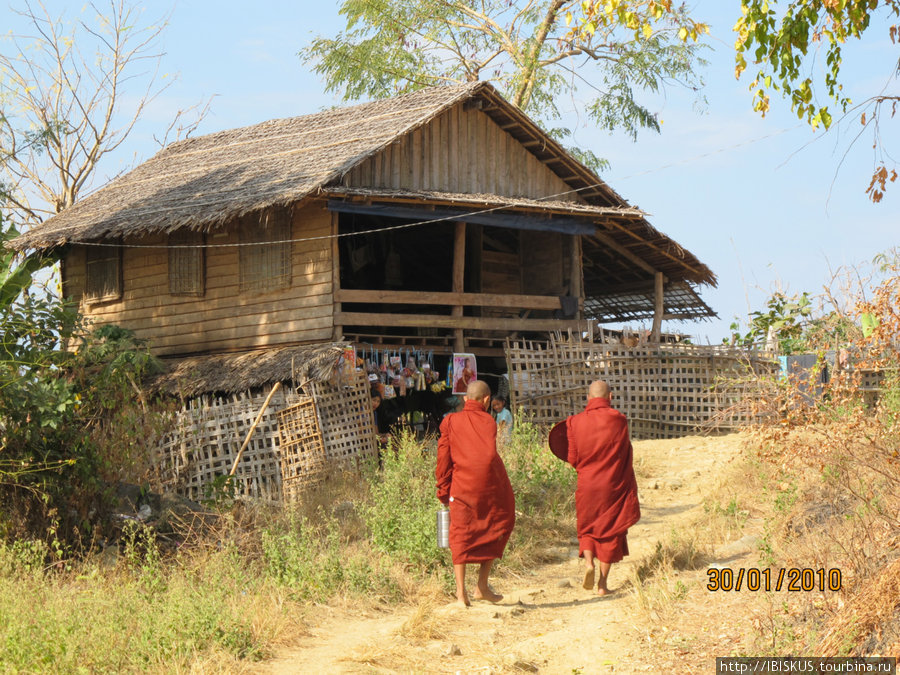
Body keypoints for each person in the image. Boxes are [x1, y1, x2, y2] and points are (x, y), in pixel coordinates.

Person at [436, 380, 516, 606]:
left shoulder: (450, 421)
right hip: (488, 486)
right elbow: (488, 457)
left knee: (460, 533)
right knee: (498, 524)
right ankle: (482, 584)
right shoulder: (489, 421)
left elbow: (444, 457)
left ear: (464, 399)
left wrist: (443, 487)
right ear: (487, 400)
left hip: (461, 487)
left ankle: (461, 594)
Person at [565, 380, 640, 595]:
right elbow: (625, 451)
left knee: (588, 527)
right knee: (610, 530)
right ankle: (602, 584)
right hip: (613, 485)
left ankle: (589, 563)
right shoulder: (619, 420)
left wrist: (586, 469)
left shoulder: (574, 422)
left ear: (588, 398)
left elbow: (572, 458)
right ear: (610, 397)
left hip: (587, 484)